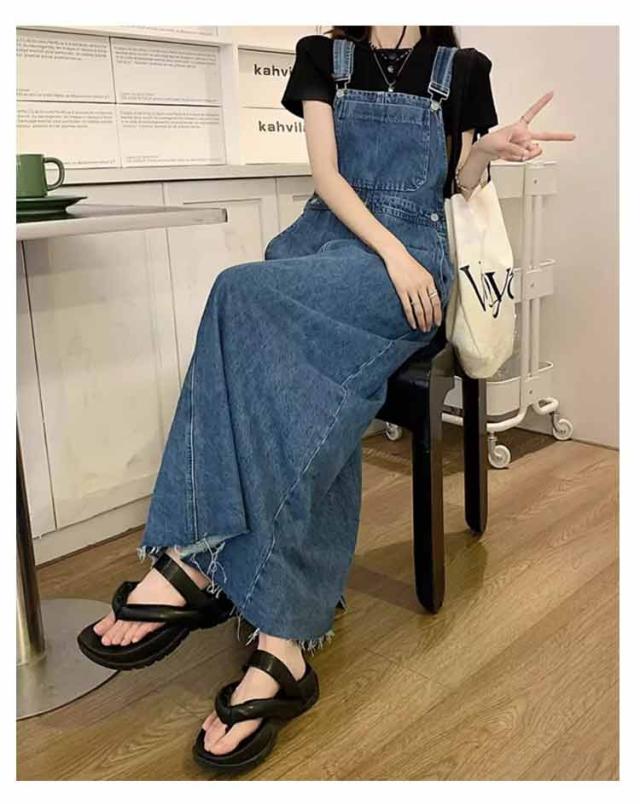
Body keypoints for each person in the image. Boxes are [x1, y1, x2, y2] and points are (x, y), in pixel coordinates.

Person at [77, 25, 575, 774]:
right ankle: (281, 645)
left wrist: (486, 154)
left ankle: (198, 555)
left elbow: (458, 185)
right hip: (332, 243)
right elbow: (327, 177)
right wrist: (389, 250)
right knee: (301, 376)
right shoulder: (322, 55)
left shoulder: (463, 67)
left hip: (411, 268)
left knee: (237, 292)